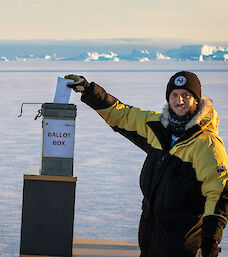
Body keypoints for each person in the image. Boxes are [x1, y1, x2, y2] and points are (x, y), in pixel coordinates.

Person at [65, 71, 228, 257]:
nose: (180, 101)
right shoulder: (158, 128)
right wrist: (89, 91)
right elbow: (123, 115)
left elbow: (219, 194)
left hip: (184, 249)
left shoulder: (206, 144)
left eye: (186, 95)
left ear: (196, 100)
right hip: (151, 243)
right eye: (174, 95)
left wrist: (210, 243)